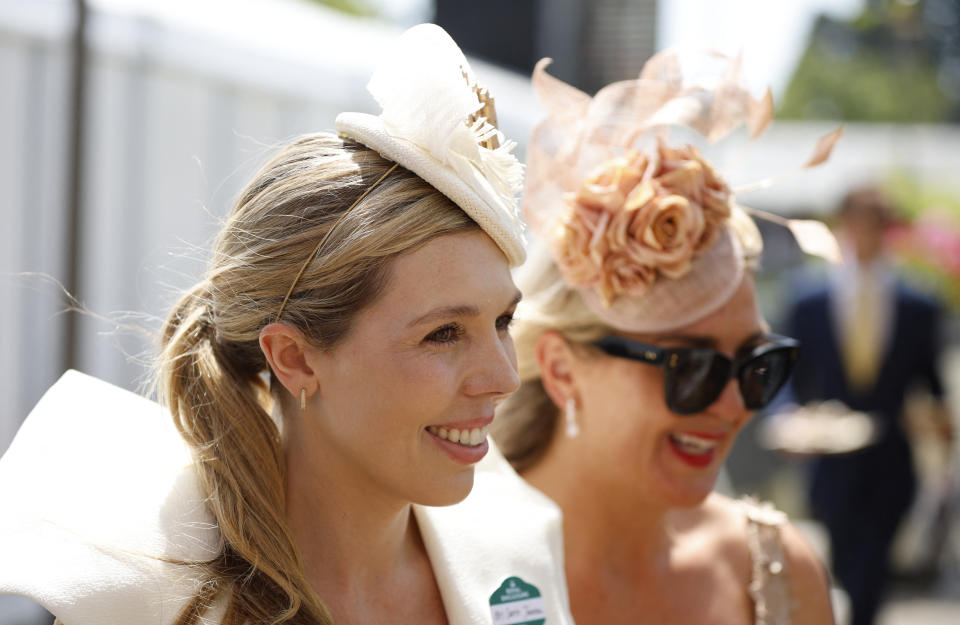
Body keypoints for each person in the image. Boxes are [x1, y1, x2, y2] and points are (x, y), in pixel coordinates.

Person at [0, 25, 573, 625]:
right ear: (294, 358)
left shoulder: (522, 558)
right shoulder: (133, 603)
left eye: (503, 320)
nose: (504, 376)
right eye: (444, 333)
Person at [491, 51, 836, 625]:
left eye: (756, 363)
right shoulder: (441, 566)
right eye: (690, 366)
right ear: (561, 368)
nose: (733, 405)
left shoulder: (778, 574)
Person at [784, 186, 953, 625]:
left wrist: (943, 431)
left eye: (873, 223)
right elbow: (788, 376)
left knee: (875, 564)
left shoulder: (919, 303)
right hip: (830, 456)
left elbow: (930, 383)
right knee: (839, 555)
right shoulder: (809, 299)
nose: (864, 233)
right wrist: (787, 421)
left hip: (892, 456)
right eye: (856, 222)